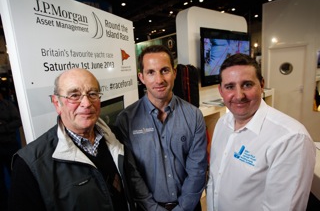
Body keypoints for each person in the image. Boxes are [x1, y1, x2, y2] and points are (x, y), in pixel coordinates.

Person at [8, 68, 162, 211]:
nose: (87, 103)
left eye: (92, 94)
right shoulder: (30, 165)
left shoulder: (115, 136)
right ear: (57, 103)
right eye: (74, 95)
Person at [206, 53, 316, 211]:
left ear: (262, 84)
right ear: (221, 90)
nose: (239, 95)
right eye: (230, 87)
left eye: (247, 85)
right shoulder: (223, 123)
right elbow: (215, 180)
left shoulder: (292, 139)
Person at [115, 45, 207, 211]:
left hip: (189, 207)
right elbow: (132, 173)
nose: (159, 80)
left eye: (164, 70)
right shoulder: (126, 120)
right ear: (141, 77)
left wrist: (183, 208)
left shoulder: (194, 116)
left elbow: (197, 170)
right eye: (151, 72)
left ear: (175, 73)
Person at [0, 89, 22, 211]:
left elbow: (18, 121)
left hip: (10, 145)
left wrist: (3, 127)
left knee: (15, 173)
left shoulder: (8, 105)